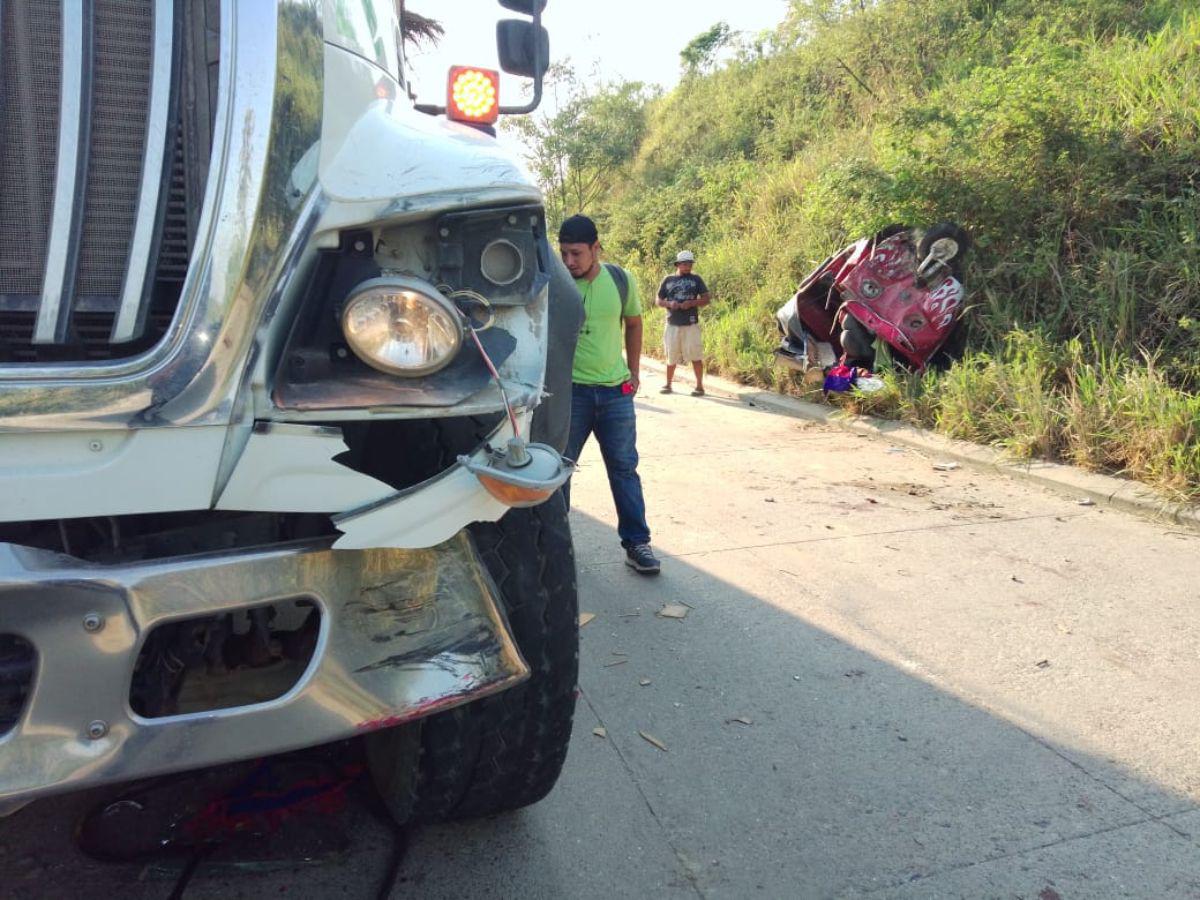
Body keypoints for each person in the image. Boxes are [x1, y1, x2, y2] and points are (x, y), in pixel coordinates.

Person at [558, 214, 660, 575]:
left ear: (596, 248)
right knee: (558, 471)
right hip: (571, 395)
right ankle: (557, 546)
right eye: (564, 253)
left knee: (624, 469)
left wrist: (633, 371)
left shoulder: (620, 280)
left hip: (615, 394)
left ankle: (637, 543)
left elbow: (634, 323)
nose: (569, 262)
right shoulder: (556, 283)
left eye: (577, 254)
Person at [656, 250, 711, 396]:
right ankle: (668, 384)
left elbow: (706, 298)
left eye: (690, 264)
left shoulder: (697, 279)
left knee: (695, 354)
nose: (688, 267)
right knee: (671, 355)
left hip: (691, 324)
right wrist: (669, 303)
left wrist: (692, 302)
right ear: (678, 264)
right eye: (685, 264)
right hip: (672, 323)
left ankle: (699, 386)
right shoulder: (668, 280)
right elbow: (658, 300)